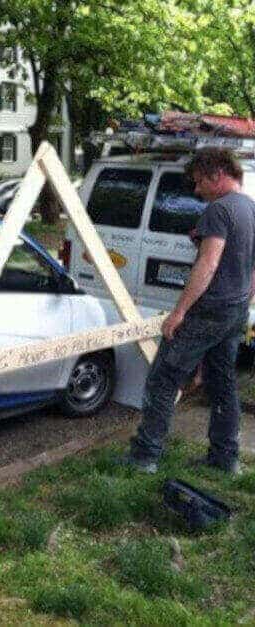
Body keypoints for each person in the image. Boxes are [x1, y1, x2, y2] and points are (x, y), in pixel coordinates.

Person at [125, 147, 254, 475]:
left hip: (208, 310)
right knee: (222, 382)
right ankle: (225, 459)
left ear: (218, 174)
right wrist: (245, 300)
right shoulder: (250, 208)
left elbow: (208, 264)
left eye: (199, 182)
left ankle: (144, 457)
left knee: (164, 378)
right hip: (234, 310)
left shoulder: (220, 210)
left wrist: (179, 312)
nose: (197, 190)